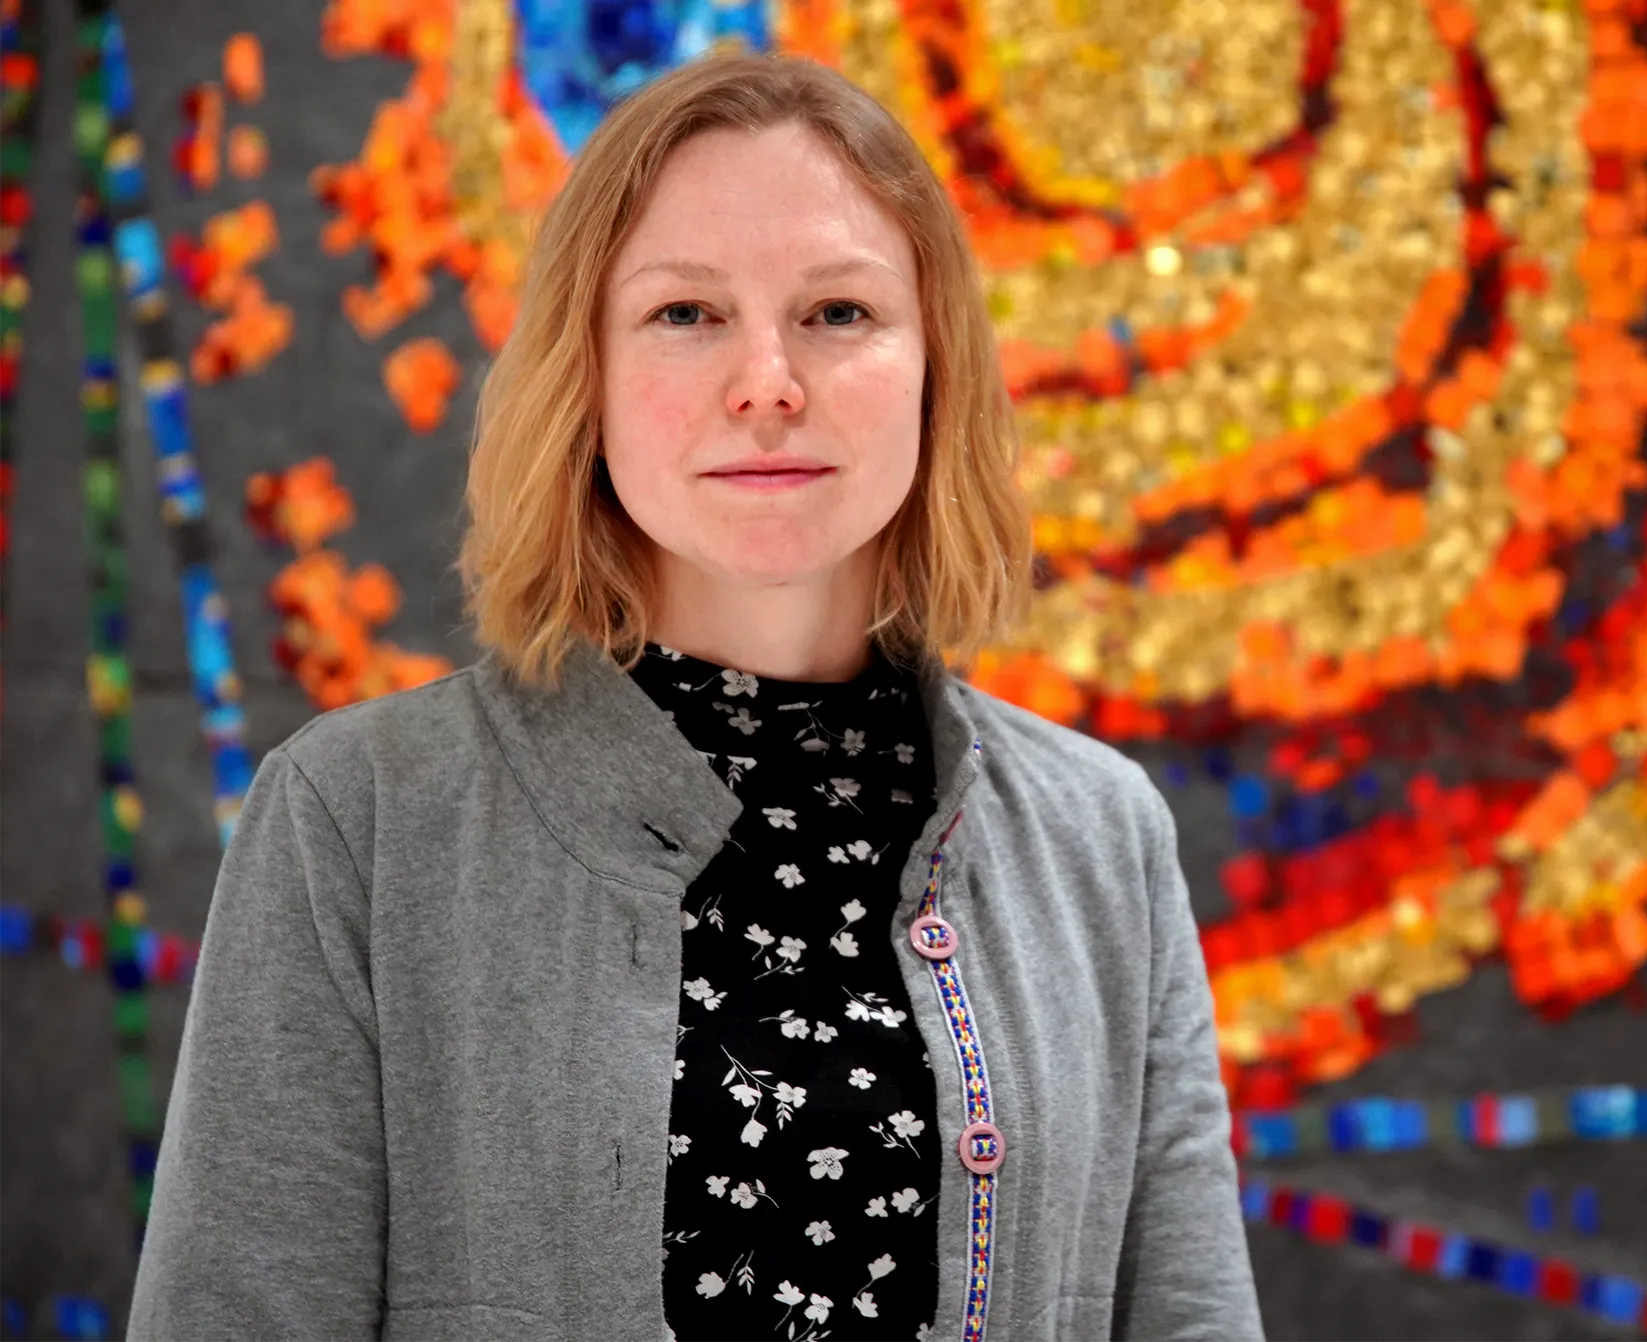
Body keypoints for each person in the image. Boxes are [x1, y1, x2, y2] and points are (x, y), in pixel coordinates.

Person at [128, 51, 1263, 1342]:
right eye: (685, 313)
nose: (768, 380)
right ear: (585, 378)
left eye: (838, 312)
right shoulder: (355, 821)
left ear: (935, 367)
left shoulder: (1102, 835)